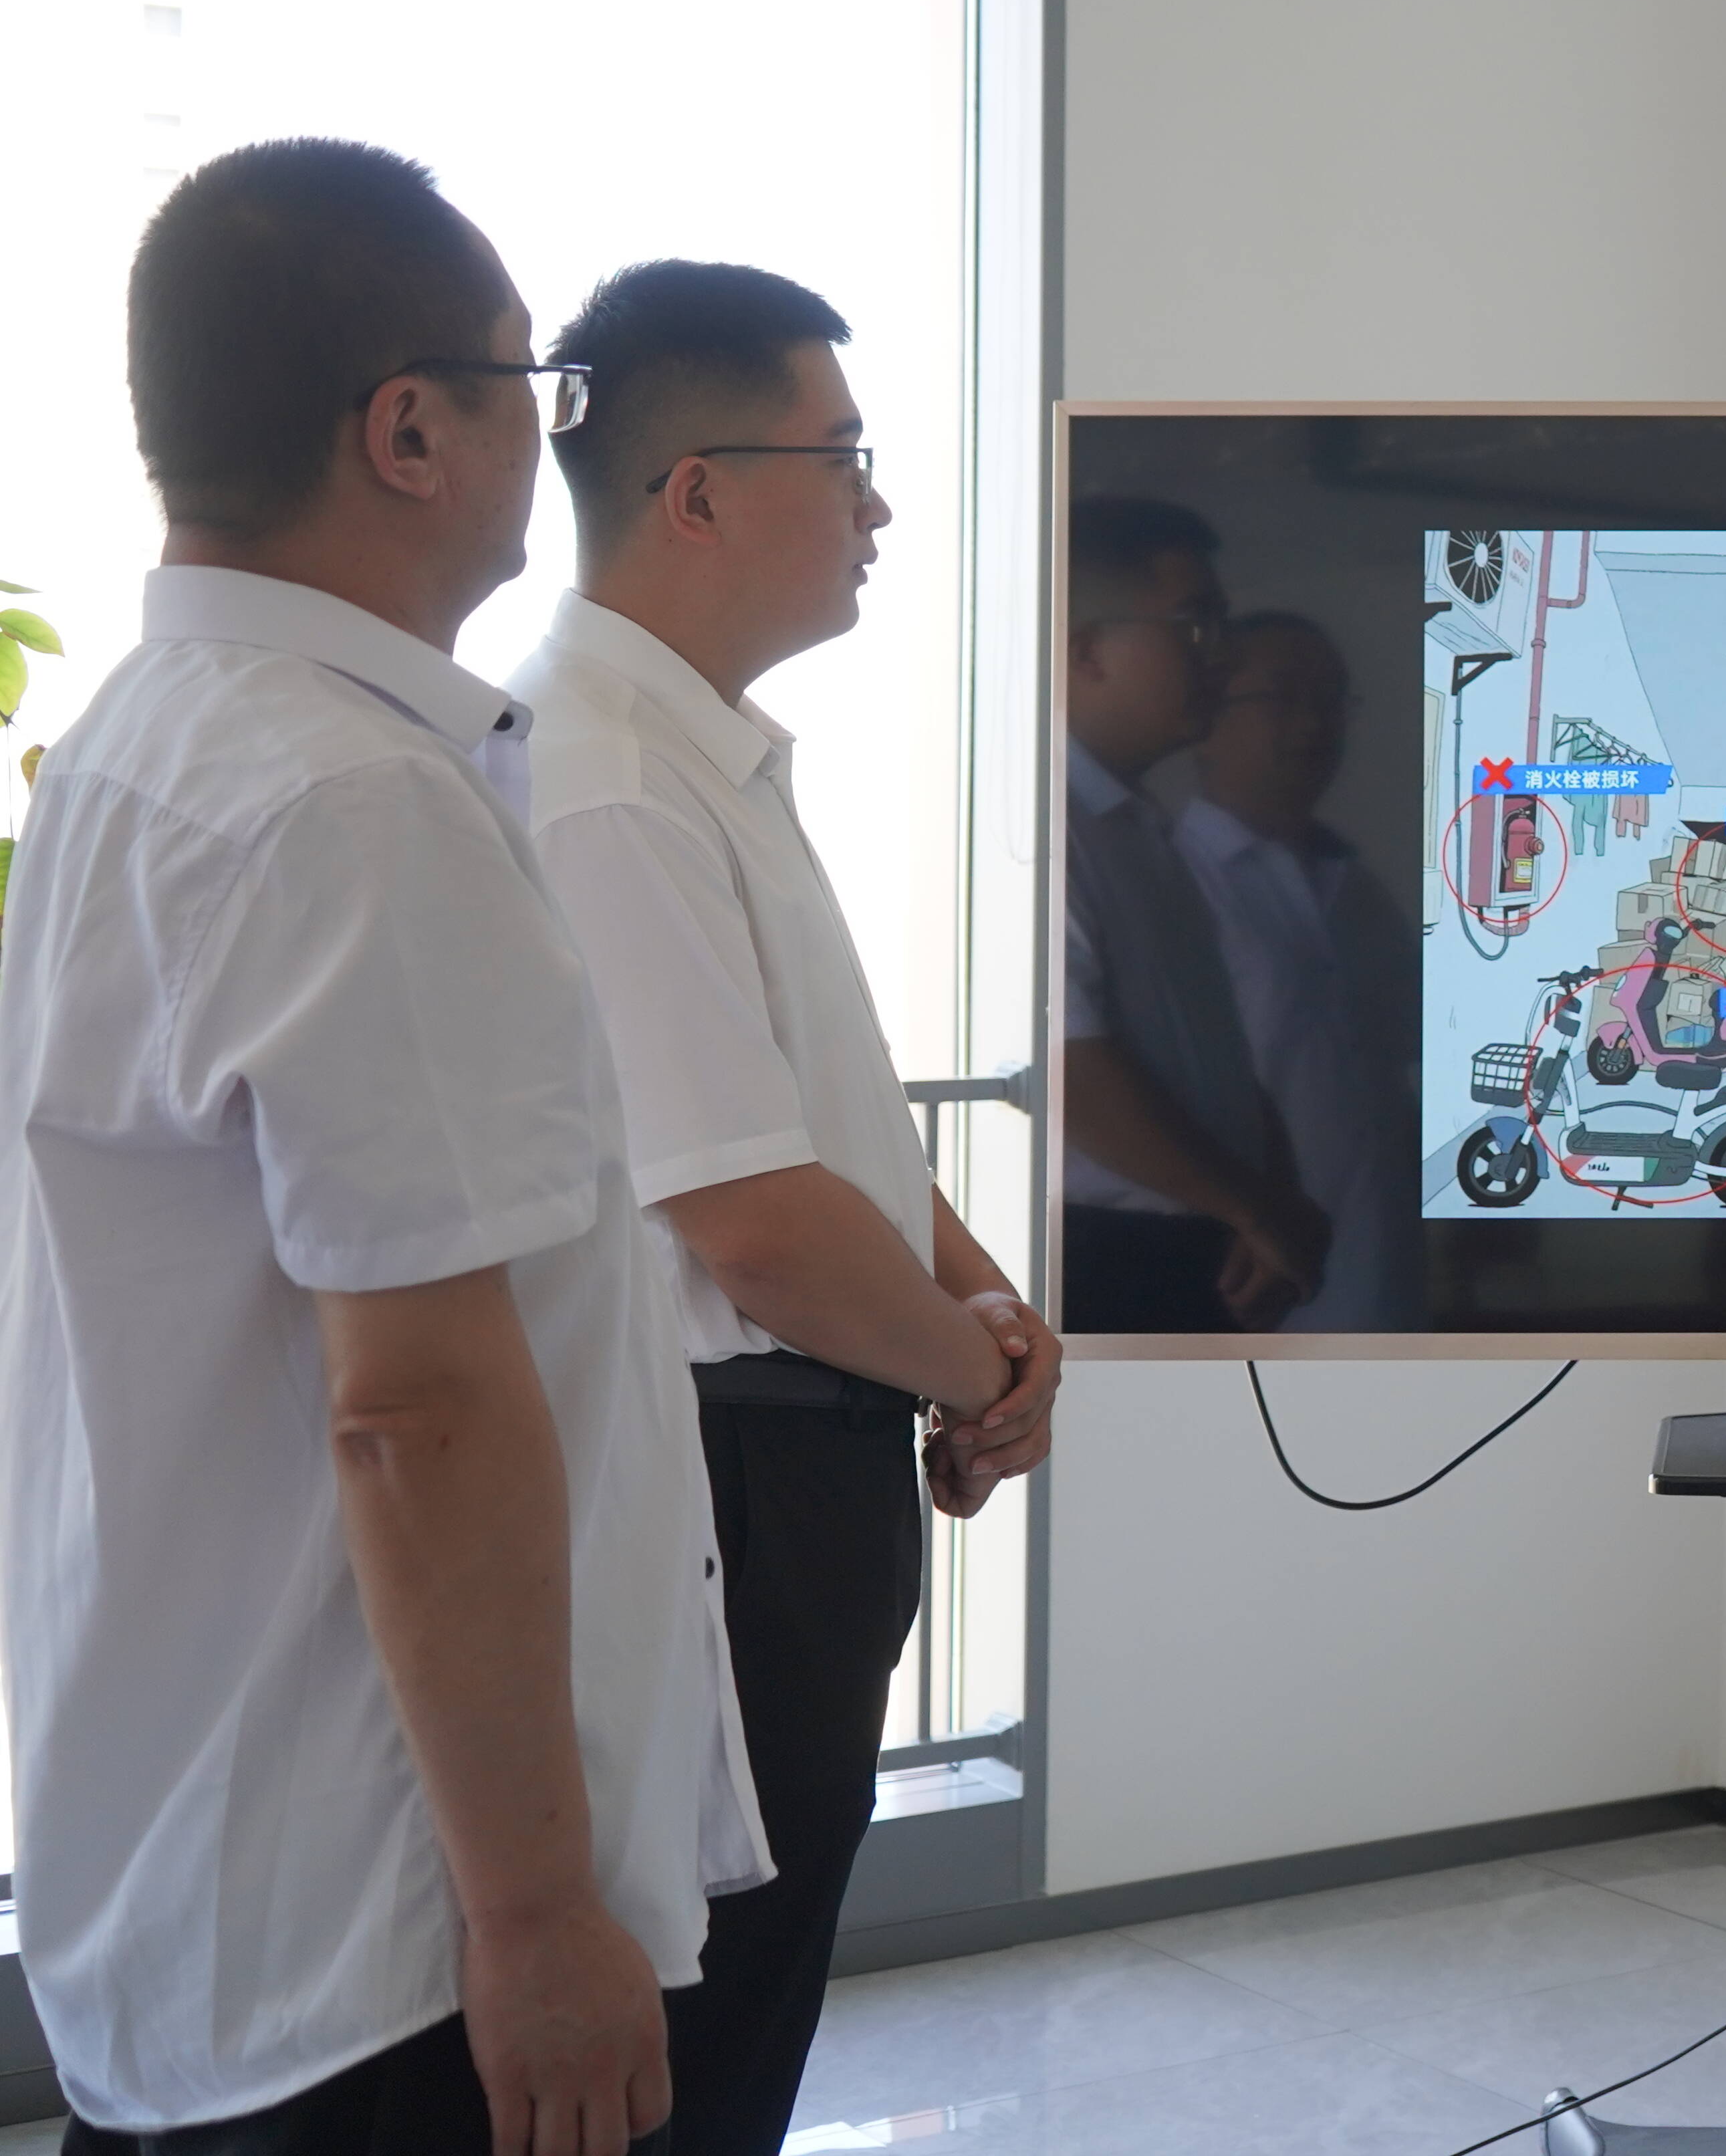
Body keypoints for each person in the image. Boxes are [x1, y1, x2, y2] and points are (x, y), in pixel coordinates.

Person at [0, 140, 758, 2153]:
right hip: (391, 1944)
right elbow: (416, 1406)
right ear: (410, 430)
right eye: (531, 385)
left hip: (214, 1890)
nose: (547, 439)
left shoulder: (145, 737)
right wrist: (536, 1916)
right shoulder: (356, 800)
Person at [513, 259, 1066, 2156]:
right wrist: (982, 1369)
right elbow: (746, 1216)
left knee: (756, 2010)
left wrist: (992, 1320)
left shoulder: (702, 754)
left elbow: (830, 1127)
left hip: (800, 1460)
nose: (880, 506)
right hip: (723, 1482)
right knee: (704, 2041)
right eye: (844, 458)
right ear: (698, 492)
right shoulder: (602, 772)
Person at [1060, 495, 1324, 1332]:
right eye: (1195, 625)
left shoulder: (1135, 823)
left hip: (1203, 1239)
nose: (1223, 657)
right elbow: (1071, 1070)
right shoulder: (1040, 826)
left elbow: (1209, 1058)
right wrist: (1254, 1207)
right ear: (1087, 649)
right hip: (1107, 1256)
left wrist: (1269, 1200)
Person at [1174, 612, 1421, 1330]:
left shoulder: (1359, 892)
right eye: (1284, 697)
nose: (1314, 723)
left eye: (1330, 700)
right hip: (1250, 1292)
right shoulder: (1177, 882)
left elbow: (1403, 1074)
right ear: (1208, 717)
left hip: (1389, 1278)